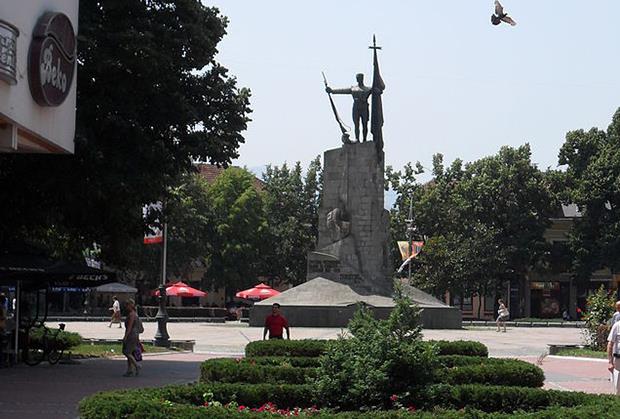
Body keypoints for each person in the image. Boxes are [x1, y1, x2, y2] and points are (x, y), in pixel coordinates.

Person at [326, 73, 372, 142]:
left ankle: (364, 139)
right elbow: (342, 91)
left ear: (363, 78)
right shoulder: (353, 88)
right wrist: (332, 91)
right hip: (356, 107)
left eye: (360, 78)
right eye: (358, 78)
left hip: (364, 107)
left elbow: (378, 90)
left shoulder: (368, 89)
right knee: (356, 124)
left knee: (365, 124)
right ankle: (357, 139)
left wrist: (378, 90)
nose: (359, 79)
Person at [121, 299, 142, 377]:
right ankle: (129, 370)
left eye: (127, 305)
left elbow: (129, 327)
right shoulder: (135, 314)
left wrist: (125, 336)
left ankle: (137, 366)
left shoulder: (132, 314)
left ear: (130, 305)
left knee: (126, 352)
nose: (126, 307)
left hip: (131, 335)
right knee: (130, 352)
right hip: (135, 335)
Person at [608, 319, 620, 394]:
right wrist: (610, 362)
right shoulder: (617, 325)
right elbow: (610, 344)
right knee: (618, 387)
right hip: (618, 361)